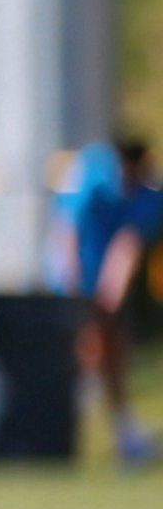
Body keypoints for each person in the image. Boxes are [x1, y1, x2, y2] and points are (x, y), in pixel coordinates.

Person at [63, 132, 155, 470]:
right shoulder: (91, 175)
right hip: (76, 283)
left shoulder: (146, 191)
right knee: (85, 351)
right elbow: (68, 228)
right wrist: (73, 280)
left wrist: (111, 292)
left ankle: (123, 435)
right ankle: (68, 426)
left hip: (105, 287)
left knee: (114, 350)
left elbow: (128, 245)